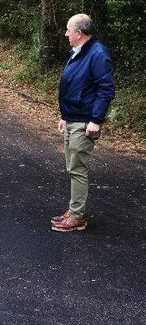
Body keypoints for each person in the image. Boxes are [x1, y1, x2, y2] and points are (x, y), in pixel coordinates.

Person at [51, 13, 115, 232]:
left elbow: (106, 89)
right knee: (72, 167)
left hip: (85, 121)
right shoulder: (78, 51)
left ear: (78, 33)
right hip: (73, 117)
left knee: (77, 169)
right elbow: (74, 86)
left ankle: (77, 216)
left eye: (68, 30)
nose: (66, 34)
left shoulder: (98, 53)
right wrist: (65, 116)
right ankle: (74, 211)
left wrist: (96, 120)